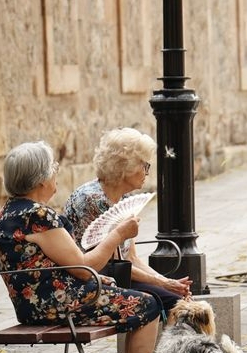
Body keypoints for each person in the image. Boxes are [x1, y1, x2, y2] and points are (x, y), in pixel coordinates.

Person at [0, 141, 176, 353]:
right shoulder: (38, 217)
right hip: (57, 305)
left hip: (40, 303)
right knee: (148, 304)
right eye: (53, 169)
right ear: (41, 180)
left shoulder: (8, 214)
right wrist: (117, 234)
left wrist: (96, 279)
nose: (56, 174)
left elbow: (58, 266)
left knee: (139, 298)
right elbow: (85, 265)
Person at [63, 127, 192, 314]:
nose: (147, 172)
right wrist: (163, 283)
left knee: (180, 299)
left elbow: (131, 258)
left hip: (119, 275)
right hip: (94, 280)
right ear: (126, 166)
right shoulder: (92, 199)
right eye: (144, 165)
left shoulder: (124, 200)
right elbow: (112, 264)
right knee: (174, 303)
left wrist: (168, 282)